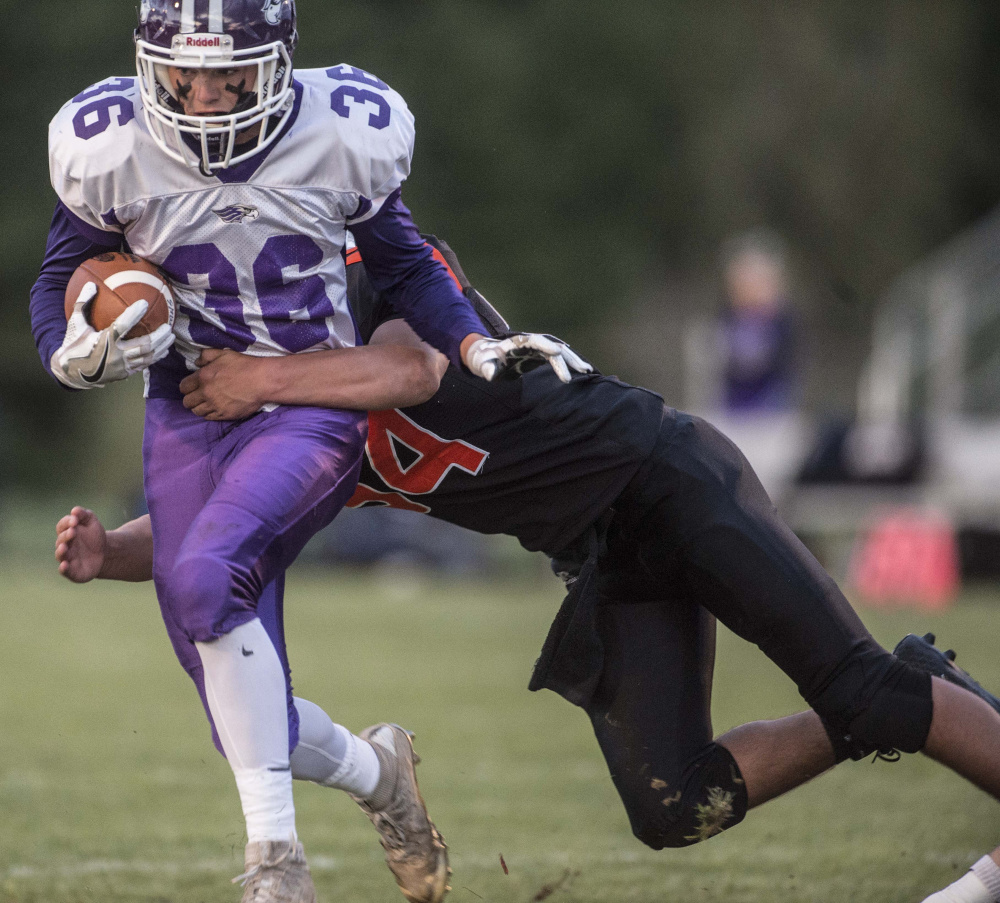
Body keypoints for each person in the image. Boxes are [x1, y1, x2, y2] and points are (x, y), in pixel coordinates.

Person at [56, 236, 1000, 901]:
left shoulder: (380, 279)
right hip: (605, 548)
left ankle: (894, 694)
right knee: (675, 803)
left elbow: (409, 372)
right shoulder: (300, 425)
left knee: (857, 688)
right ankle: (912, 686)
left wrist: (259, 380)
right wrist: (109, 555)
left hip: (666, 476)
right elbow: (213, 532)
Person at [29, 4, 590, 902]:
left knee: (210, 579)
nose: (206, 96)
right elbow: (65, 275)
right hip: (185, 406)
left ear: (279, 64)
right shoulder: (111, 146)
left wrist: (479, 343)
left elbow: (405, 266)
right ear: (149, 65)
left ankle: (276, 868)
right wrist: (65, 349)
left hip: (303, 401)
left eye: (230, 75)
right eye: (186, 74)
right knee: (241, 718)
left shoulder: (337, 133)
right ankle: (380, 772)